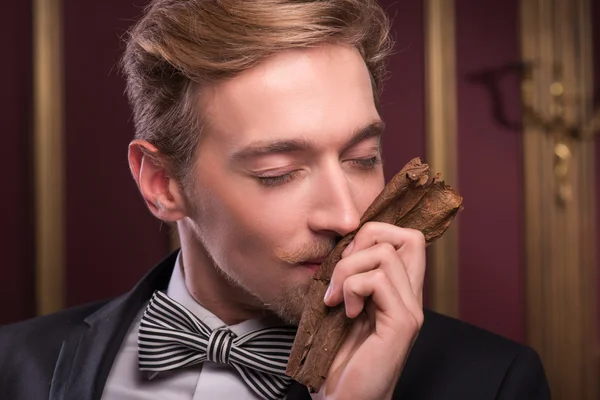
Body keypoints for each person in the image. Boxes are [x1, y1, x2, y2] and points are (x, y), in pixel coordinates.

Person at [0, 0, 550, 399]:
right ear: (162, 184)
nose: (345, 215)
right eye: (279, 172)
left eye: (363, 158)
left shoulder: (493, 381)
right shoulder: (13, 367)